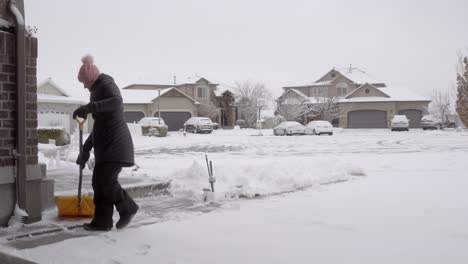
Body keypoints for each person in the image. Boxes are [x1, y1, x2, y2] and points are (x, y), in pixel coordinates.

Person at [73, 55, 138, 231]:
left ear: (91, 78)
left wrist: (88, 108)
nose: (84, 86)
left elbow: (116, 102)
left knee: (106, 182)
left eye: (84, 82)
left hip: (116, 144)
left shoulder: (106, 83)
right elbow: (98, 128)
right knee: (100, 183)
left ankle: (129, 208)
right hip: (106, 146)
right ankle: (102, 222)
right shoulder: (97, 90)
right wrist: (85, 151)